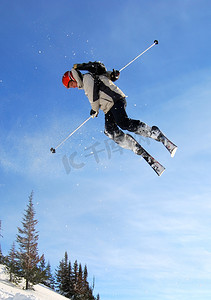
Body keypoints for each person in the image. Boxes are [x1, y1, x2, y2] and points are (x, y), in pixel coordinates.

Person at [62, 61, 177, 158]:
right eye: (70, 87)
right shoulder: (91, 77)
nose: (73, 87)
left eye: (71, 84)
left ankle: (153, 132)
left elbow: (94, 96)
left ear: (73, 78)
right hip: (108, 108)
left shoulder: (87, 78)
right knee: (109, 130)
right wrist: (112, 75)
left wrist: (94, 110)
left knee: (123, 122)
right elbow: (104, 77)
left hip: (115, 99)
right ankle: (132, 145)